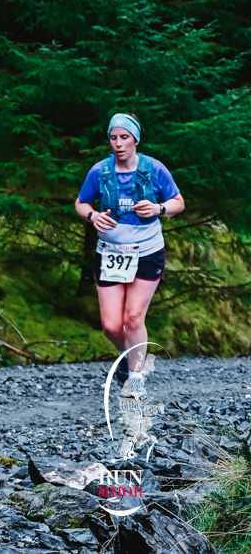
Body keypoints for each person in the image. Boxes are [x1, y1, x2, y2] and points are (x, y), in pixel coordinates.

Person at [75, 113, 183, 399]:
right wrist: (93, 216)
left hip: (147, 251)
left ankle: (136, 377)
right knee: (112, 325)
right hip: (111, 252)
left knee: (134, 317)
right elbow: (81, 203)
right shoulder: (100, 171)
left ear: (136, 139)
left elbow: (178, 202)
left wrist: (159, 209)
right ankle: (130, 356)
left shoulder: (154, 169)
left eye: (124, 137)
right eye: (113, 138)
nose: (118, 144)